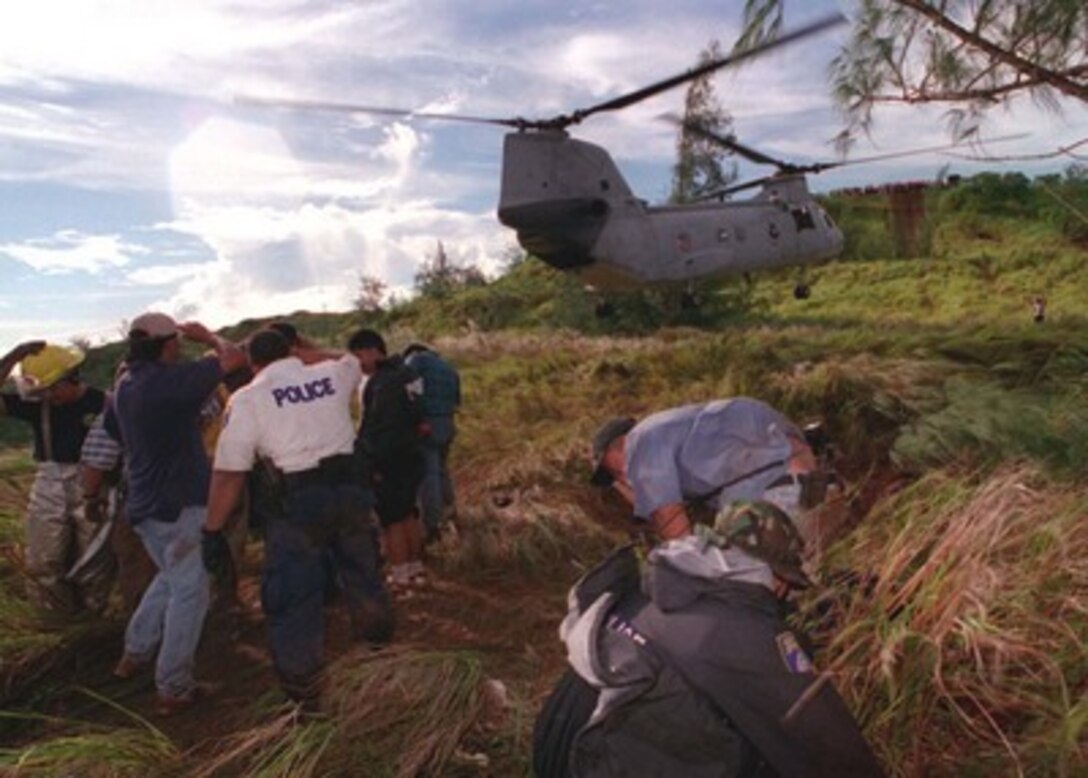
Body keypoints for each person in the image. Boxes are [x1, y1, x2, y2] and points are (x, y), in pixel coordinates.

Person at [533, 500, 884, 777]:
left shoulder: (650, 584)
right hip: (599, 764)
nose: (785, 595)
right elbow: (822, 738)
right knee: (764, 750)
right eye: (787, 585)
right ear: (772, 575)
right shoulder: (742, 635)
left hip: (556, 744)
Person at [204, 328, 393, 708]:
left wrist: (212, 528)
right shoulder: (331, 374)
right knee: (363, 573)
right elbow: (353, 359)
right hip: (350, 494)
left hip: (298, 504)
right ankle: (380, 653)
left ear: (254, 363)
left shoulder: (248, 399)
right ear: (295, 351)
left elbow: (229, 474)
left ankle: (304, 690)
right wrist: (303, 351)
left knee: (294, 597)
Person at [104, 312, 245, 715]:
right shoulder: (168, 383)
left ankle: (134, 653)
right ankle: (174, 686)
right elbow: (233, 358)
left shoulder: (124, 386)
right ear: (168, 344)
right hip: (179, 501)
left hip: (145, 503)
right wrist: (209, 336)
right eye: (177, 342)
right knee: (190, 591)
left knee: (170, 577)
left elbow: (115, 430)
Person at [589, 398, 835, 549]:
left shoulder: (639, 444)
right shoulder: (675, 432)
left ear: (618, 443)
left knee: (737, 567)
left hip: (775, 491)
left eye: (613, 470)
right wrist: (620, 484)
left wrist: (687, 563)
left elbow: (670, 521)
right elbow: (651, 502)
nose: (624, 477)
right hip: (796, 478)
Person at [0, 340, 111, 615]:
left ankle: (94, 622)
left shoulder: (105, 403)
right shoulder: (37, 406)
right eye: (40, 390)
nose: (46, 396)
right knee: (43, 562)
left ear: (70, 378)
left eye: (51, 388)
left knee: (93, 561)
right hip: (50, 481)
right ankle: (56, 625)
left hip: (98, 484)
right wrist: (13, 357)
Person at [349, 329, 426, 593]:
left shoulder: (380, 382)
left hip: (389, 458)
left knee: (391, 518)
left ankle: (400, 575)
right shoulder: (407, 373)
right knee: (409, 514)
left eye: (359, 355)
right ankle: (416, 567)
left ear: (373, 351)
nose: (358, 363)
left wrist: (367, 459)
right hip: (413, 452)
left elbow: (377, 427)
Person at [403, 343, 461, 543]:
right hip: (448, 422)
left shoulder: (415, 361)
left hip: (426, 425)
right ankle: (451, 513)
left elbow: (408, 390)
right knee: (442, 470)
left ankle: (433, 525)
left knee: (428, 475)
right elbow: (457, 400)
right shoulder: (448, 367)